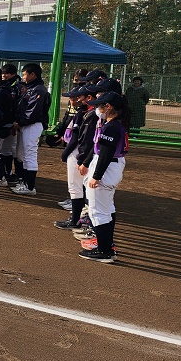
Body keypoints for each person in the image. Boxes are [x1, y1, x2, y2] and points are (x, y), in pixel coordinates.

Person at [78, 91, 130, 263]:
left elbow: (106, 153)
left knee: (98, 211)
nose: (97, 109)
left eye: (100, 105)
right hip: (111, 166)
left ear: (108, 107)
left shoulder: (112, 126)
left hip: (107, 167)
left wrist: (96, 176)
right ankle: (107, 246)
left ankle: (105, 250)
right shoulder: (112, 124)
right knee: (107, 209)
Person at [11, 63, 51, 196]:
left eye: (24, 74)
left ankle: (29, 186)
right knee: (24, 155)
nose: (23, 77)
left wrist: (20, 123)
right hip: (27, 124)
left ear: (33, 74)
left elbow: (32, 112)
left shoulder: (38, 90)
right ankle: (26, 184)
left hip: (33, 124)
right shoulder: (31, 88)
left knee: (30, 155)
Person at [55, 86, 92, 230]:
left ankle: (76, 220)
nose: (71, 100)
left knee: (76, 186)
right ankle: (78, 218)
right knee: (80, 187)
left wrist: (65, 152)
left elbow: (76, 137)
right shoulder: (83, 112)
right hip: (82, 152)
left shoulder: (84, 113)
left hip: (79, 152)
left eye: (74, 97)